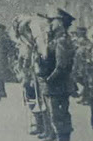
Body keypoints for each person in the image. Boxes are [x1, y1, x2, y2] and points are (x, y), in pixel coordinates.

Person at [38, 8, 76, 141]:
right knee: (56, 115)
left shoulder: (61, 40)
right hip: (56, 84)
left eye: (52, 21)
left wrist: (49, 79)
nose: (50, 24)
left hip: (58, 84)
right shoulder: (55, 39)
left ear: (60, 22)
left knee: (59, 116)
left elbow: (61, 66)